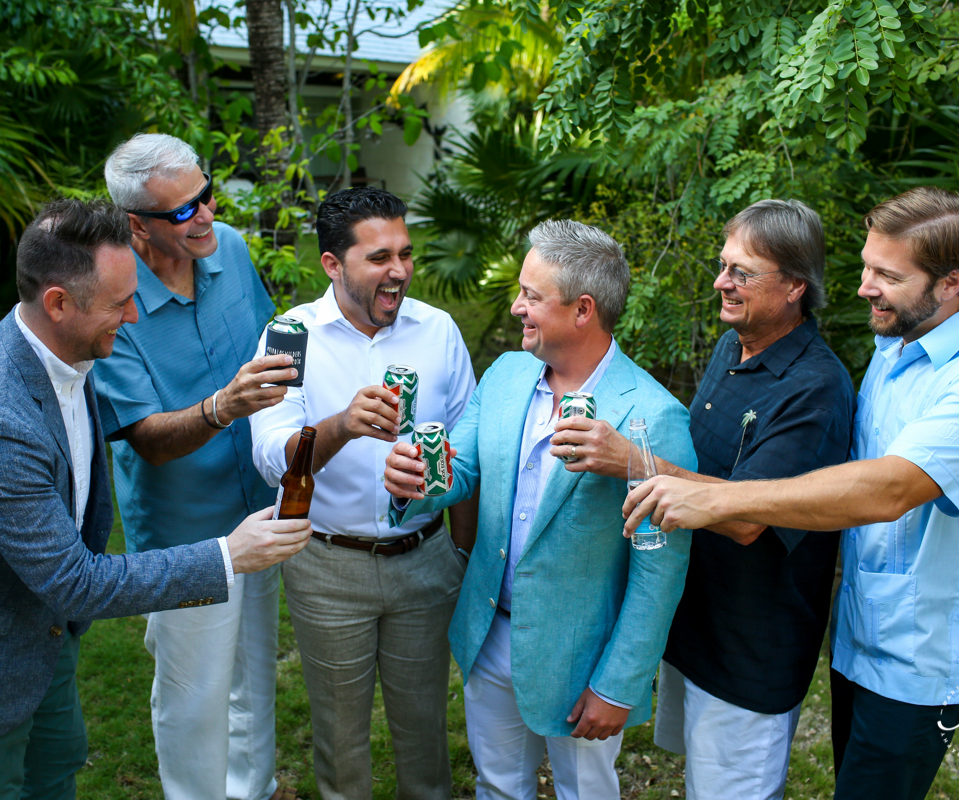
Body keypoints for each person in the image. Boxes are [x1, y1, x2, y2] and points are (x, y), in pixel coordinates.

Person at [0, 197, 311, 800]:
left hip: (42, 631)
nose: (133, 318)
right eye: (118, 304)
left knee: (57, 772)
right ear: (57, 302)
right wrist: (229, 555)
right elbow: (76, 582)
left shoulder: (59, 348)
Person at [626, 187, 959, 800]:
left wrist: (722, 499)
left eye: (887, 275)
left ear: (952, 281)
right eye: (865, 267)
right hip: (857, 637)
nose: (862, 288)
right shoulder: (895, 347)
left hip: (919, 659)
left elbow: (892, 487)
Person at [551, 199, 853, 799]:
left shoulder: (816, 389)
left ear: (795, 286)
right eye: (723, 265)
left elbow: (747, 518)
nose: (721, 282)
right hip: (695, 630)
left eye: (742, 272)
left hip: (750, 653)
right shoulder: (734, 346)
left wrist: (630, 461)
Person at [384, 219, 695, 800]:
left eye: (531, 295)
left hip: (580, 658)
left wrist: (619, 684)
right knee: (497, 787)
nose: (515, 306)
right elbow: (465, 470)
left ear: (583, 310)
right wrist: (417, 480)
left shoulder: (653, 417)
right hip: (487, 633)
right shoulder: (506, 374)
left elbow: (660, 571)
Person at [249, 186, 478, 800]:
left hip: (425, 561)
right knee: (341, 747)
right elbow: (273, 458)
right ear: (333, 264)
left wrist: (459, 552)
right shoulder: (289, 335)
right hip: (327, 566)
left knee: (425, 737)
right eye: (379, 258)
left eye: (405, 253)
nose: (399, 270)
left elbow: (471, 449)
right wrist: (344, 425)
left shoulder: (438, 330)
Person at [89, 134, 299, 800]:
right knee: (194, 699)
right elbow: (146, 438)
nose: (206, 214)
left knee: (253, 682)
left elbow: (273, 350)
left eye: (206, 194)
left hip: (257, 511)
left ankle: (255, 790)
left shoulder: (231, 249)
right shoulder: (113, 300)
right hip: (186, 541)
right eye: (183, 212)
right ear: (136, 226)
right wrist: (222, 407)